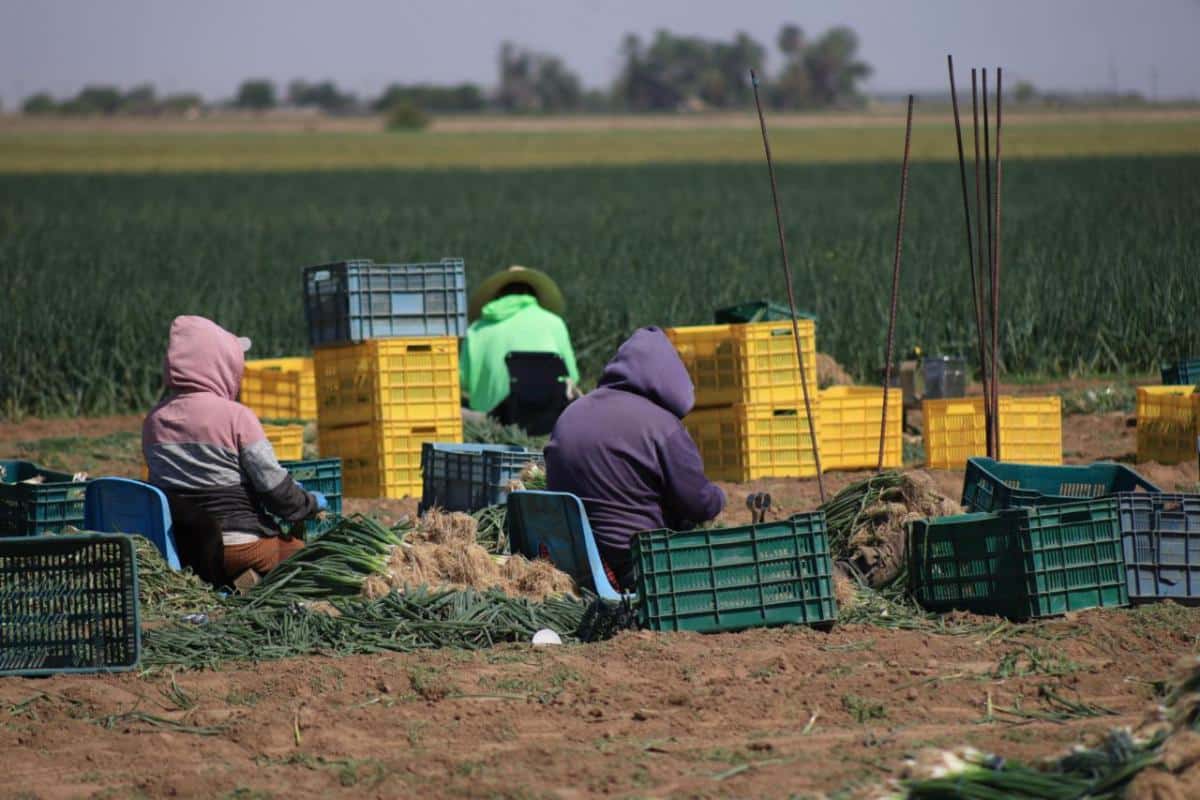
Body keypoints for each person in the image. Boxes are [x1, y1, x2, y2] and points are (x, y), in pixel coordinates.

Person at [143, 315, 327, 583]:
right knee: (299, 554)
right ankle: (245, 579)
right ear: (220, 365)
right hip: (237, 546)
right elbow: (275, 491)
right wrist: (309, 503)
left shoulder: (154, 421)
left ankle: (232, 580)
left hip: (181, 550)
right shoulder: (236, 417)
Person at [544, 327, 725, 590]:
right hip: (635, 565)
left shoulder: (571, 413)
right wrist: (719, 496)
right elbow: (699, 504)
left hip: (574, 561)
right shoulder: (662, 426)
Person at [460, 266, 579, 417]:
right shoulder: (555, 323)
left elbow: (463, 380)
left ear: (497, 295)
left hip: (490, 420)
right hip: (546, 421)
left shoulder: (476, 329)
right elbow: (572, 376)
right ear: (535, 294)